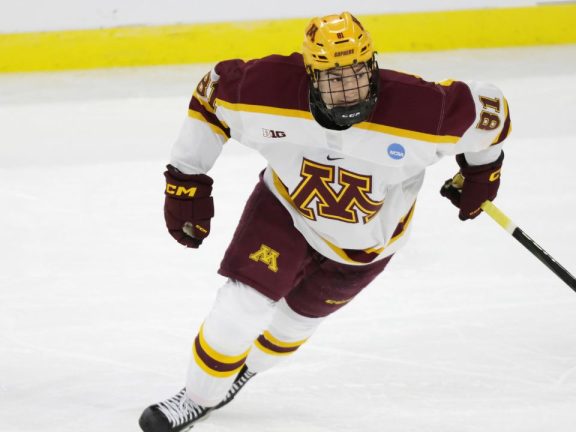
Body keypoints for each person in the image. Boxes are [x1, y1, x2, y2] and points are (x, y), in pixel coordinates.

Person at [139, 11, 510, 432]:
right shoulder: (268, 89)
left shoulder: (424, 110)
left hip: (368, 245)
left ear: (373, 65)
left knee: (294, 325)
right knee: (240, 305)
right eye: (333, 79)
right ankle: (194, 398)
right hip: (286, 212)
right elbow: (211, 97)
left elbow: (491, 112)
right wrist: (186, 179)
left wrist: (484, 170)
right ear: (310, 75)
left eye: (357, 74)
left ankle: (247, 369)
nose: (348, 90)